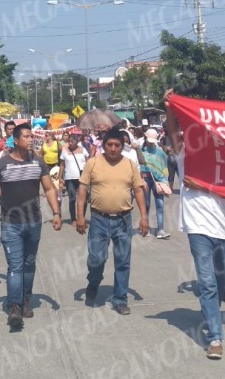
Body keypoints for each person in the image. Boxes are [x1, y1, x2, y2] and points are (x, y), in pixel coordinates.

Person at [164, 89, 225, 360]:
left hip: (223, 228)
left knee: (221, 279)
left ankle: (213, 311)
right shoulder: (183, 155)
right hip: (197, 228)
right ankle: (215, 338)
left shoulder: (223, 158)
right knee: (207, 283)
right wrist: (170, 107)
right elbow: (171, 130)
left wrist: (204, 184)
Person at [0, 124, 62, 330]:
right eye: (27, 137)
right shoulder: (1, 165)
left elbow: (48, 189)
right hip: (11, 225)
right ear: (16, 140)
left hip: (34, 222)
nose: (31, 140)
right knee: (15, 266)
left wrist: (56, 213)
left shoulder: (38, 163)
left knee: (29, 264)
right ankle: (14, 307)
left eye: (31, 136)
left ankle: (26, 299)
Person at [77, 127, 148, 315]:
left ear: (122, 146)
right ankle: (93, 283)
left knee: (123, 261)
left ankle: (120, 299)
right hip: (99, 220)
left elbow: (139, 190)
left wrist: (144, 217)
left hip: (123, 221)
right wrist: (80, 217)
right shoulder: (92, 164)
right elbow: (82, 191)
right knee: (96, 259)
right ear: (103, 145)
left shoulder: (130, 165)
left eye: (117, 145)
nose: (113, 149)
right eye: (110, 145)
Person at [140, 128, 170, 239]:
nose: (150, 143)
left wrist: (165, 181)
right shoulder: (140, 150)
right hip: (145, 179)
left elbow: (164, 165)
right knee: (146, 204)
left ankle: (161, 230)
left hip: (158, 181)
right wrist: (141, 180)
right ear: (145, 138)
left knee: (160, 205)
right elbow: (137, 166)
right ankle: (145, 227)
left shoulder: (160, 151)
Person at [60, 133, 89, 222]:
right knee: (72, 199)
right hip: (69, 178)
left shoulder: (83, 150)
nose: (70, 143)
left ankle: (82, 218)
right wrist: (60, 177)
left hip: (82, 178)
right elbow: (62, 165)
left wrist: (90, 175)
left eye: (72, 141)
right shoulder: (64, 150)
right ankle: (73, 219)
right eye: (69, 141)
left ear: (77, 141)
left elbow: (88, 164)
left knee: (84, 199)